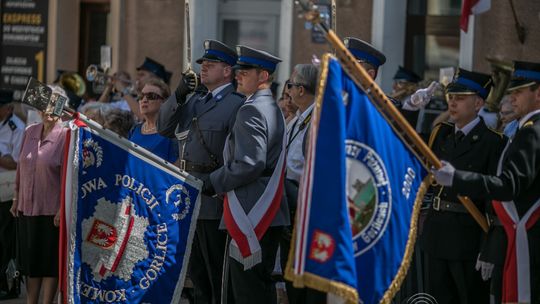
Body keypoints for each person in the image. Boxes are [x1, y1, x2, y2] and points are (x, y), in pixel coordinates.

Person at [432, 61, 540, 304]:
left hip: (490, 237)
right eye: (511, 92)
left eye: (518, 92)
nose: (511, 98)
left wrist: (456, 178)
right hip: (439, 235)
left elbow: (506, 188)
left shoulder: (526, 133)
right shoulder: (443, 133)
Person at [158, 39, 244, 304]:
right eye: (202, 64)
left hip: (213, 200)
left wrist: (217, 187)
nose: (203, 68)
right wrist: (179, 95)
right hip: (188, 197)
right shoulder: (195, 101)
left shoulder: (237, 104)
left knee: (215, 274)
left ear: (227, 71)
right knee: (195, 276)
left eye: (211, 64)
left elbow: (237, 156)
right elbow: (164, 127)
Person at [203, 45, 289, 304]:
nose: (238, 75)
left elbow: (250, 163)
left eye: (245, 71)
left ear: (263, 76)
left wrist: (212, 181)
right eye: (238, 70)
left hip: (251, 210)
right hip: (266, 208)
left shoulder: (251, 109)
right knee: (259, 289)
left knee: (245, 292)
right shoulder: (270, 107)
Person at [419, 68, 506, 304]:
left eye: (460, 98)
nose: (453, 104)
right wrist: (411, 105)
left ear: (478, 103)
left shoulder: (493, 142)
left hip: (468, 237)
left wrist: (490, 247)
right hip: (436, 234)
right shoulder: (441, 134)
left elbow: (495, 199)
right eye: (451, 98)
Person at [10, 86, 69, 304]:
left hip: (50, 210)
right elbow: (20, 168)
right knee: (31, 263)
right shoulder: (30, 131)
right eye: (45, 104)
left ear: (63, 107)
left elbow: (66, 177)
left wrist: (62, 208)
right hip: (27, 206)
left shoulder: (65, 135)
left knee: (49, 264)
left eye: (55, 104)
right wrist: (16, 198)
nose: (48, 110)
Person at [281, 64, 326, 304]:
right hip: (291, 206)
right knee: (293, 280)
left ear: (300, 89)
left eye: (290, 85)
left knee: (306, 284)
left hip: (305, 209)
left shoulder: (317, 119)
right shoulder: (298, 118)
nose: (287, 91)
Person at [0, 89, 24, 300]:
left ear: (9, 108)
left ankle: (9, 285)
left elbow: (16, 162)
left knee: (6, 239)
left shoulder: (17, 128)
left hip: (7, 191)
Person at [129, 78, 177, 163]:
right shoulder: (134, 129)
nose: (144, 100)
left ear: (164, 102)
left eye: (151, 96)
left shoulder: (172, 133)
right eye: (141, 96)